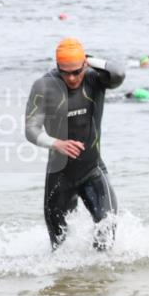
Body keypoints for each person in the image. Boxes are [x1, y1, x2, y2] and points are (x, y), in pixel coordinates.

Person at [25, 38, 126, 251]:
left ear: (85, 65)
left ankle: (100, 284)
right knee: (59, 248)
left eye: (76, 71)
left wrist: (90, 60)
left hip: (93, 171)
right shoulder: (44, 86)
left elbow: (118, 73)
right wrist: (55, 143)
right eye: (65, 72)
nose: (71, 78)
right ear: (57, 67)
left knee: (106, 237)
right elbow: (31, 129)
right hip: (59, 175)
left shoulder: (95, 79)